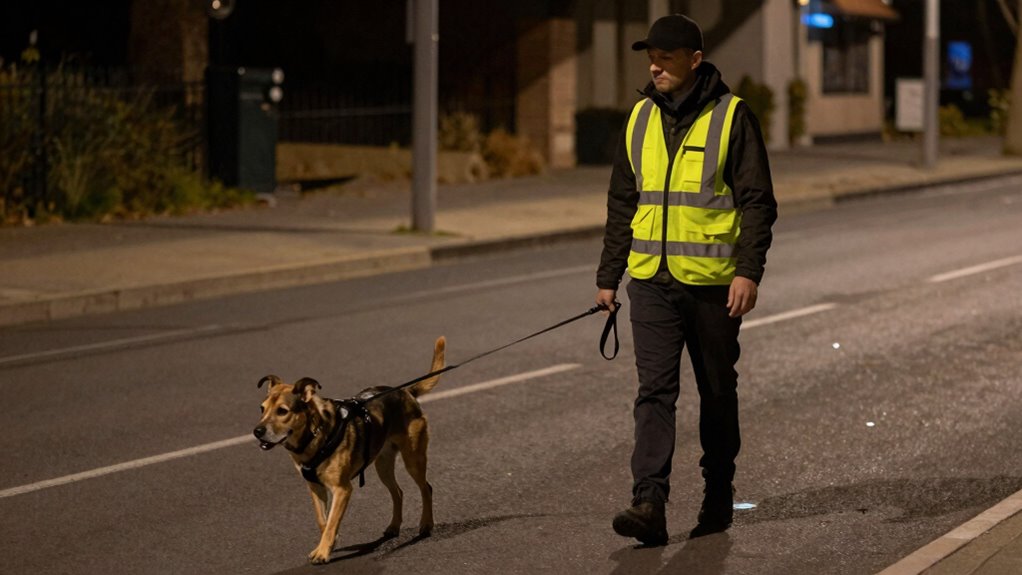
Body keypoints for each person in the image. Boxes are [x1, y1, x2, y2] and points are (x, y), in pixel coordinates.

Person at [595, 13, 777, 545]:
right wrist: (609, 276)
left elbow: (757, 202)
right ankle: (648, 503)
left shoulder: (732, 116)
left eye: (666, 58)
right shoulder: (639, 117)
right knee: (654, 391)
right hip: (651, 281)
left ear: (695, 61)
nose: (655, 67)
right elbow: (622, 201)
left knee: (717, 390)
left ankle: (718, 491)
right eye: (651, 59)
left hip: (713, 285)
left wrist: (748, 271)